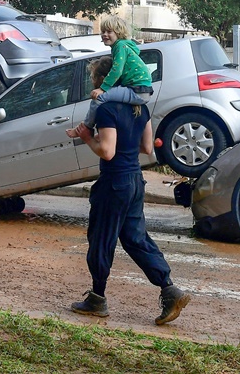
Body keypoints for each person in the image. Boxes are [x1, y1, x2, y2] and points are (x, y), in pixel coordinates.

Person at [65, 55, 191, 325]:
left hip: (114, 182)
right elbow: (147, 148)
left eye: (94, 79)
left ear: (103, 80)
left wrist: (88, 138)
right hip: (135, 180)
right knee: (135, 238)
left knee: (101, 238)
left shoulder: (107, 109)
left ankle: (97, 298)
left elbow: (107, 152)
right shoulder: (140, 109)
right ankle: (169, 288)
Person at [90, 14, 152, 101]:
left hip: (137, 89)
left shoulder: (120, 46)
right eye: (103, 31)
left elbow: (117, 70)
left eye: (109, 31)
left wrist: (102, 89)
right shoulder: (123, 46)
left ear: (119, 33)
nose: (105, 34)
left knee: (99, 98)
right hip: (142, 89)